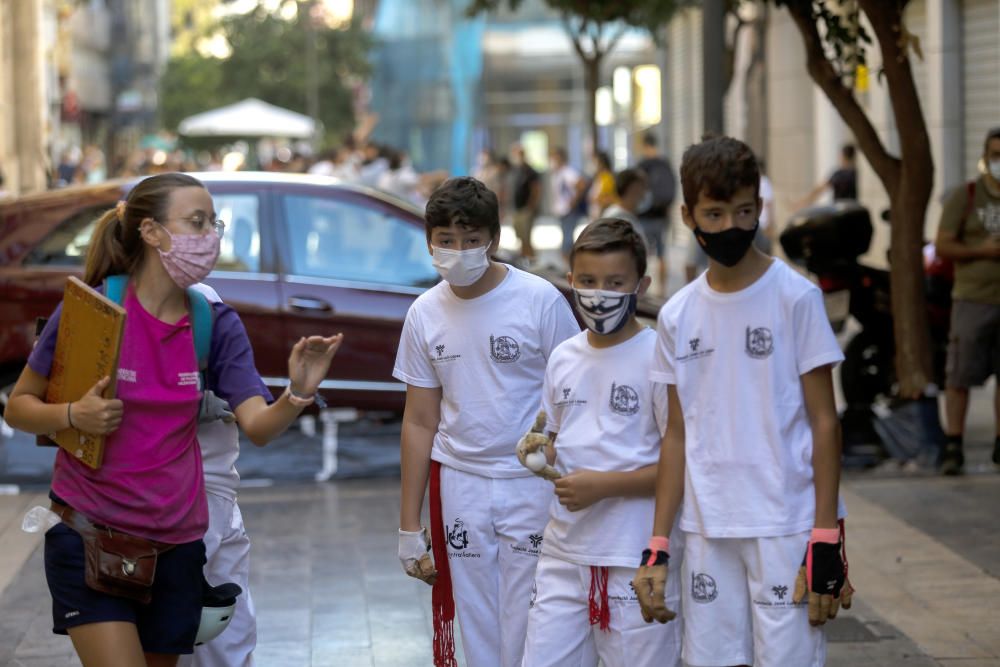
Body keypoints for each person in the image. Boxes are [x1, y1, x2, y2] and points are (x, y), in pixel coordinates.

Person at [5, 172, 343, 667]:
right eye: (197, 222)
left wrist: (298, 393)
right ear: (151, 232)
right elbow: (19, 406)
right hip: (90, 536)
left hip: (177, 548)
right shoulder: (94, 310)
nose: (211, 237)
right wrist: (76, 414)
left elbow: (258, 428)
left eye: (214, 223)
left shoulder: (213, 322)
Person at [632, 136, 852, 667]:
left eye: (744, 210)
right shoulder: (678, 315)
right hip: (707, 529)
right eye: (714, 213)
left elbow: (825, 421)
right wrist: (658, 543)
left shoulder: (795, 297)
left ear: (759, 207)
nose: (731, 224)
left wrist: (826, 534)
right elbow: (676, 435)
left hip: (785, 524)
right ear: (688, 214)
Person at [394, 176, 579, 667]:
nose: (458, 253)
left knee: (531, 615)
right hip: (461, 484)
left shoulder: (540, 301)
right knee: (475, 619)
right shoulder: (423, 314)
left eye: (471, 241)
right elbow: (418, 420)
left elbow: (574, 401)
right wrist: (409, 527)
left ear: (493, 239)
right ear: (429, 241)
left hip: (531, 483)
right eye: (446, 242)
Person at [519, 218, 683, 667]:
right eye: (588, 282)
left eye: (615, 283)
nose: (599, 293)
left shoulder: (658, 356)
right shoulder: (564, 356)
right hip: (563, 553)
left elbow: (680, 460)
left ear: (641, 285)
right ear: (570, 282)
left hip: (633, 557)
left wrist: (604, 486)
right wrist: (541, 452)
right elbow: (555, 434)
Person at [935, 126, 1000, 475]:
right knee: (959, 375)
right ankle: (953, 445)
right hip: (972, 299)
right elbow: (943, 244)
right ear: (986, 157)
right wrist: (982, 250)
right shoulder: (969, 195)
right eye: (995, 155)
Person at [635, 133, 677, 293]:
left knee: (642, 254)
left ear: (645, 145)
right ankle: (662, 290)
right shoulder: (664, 163)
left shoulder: (642, 165)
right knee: (661, 253)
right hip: (661, 216)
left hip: (645, 216)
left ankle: (641, 290)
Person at [548, 147, 586, 262]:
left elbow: (581, 184)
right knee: (566, 238)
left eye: (554, 158)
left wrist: (573, 201)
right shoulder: (558, 173)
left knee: (567, 242)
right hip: (562, 211)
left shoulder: (568, 172)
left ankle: (571, 266)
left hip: (568, 211)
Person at [793, 143, 858, 209]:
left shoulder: (839, 174)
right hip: (855, 211)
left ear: (842, 156)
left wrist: (801, 203)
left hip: (841, 211)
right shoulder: (856, 173)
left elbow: (819, 190)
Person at [510, 144, 542, 261]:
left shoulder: (530, 171)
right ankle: (524, 259)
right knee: (521, 237)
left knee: (526, 237)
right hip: (517, 209)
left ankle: (531, 259)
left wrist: (530, 206)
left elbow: (536, 189)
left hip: (526, 209)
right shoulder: (516, 170)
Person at [602, 168, 649, 242]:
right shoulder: (616, 219)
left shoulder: (628, 216)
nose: (644, 194)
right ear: (632, 189)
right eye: (642, 187)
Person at [756, 157, 777, 254]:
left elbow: (769, 204)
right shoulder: (761, 182)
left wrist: (770, 222)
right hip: (759, 222)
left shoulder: (764, 182)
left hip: (763, 222)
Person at [587, 151, 617, 220]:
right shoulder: (598, 177)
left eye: (594, 162)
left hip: (603, 216)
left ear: (601, 163)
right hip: (596, 216)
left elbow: (610, 198)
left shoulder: (607, 178)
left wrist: (596, 200)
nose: (592, 165)